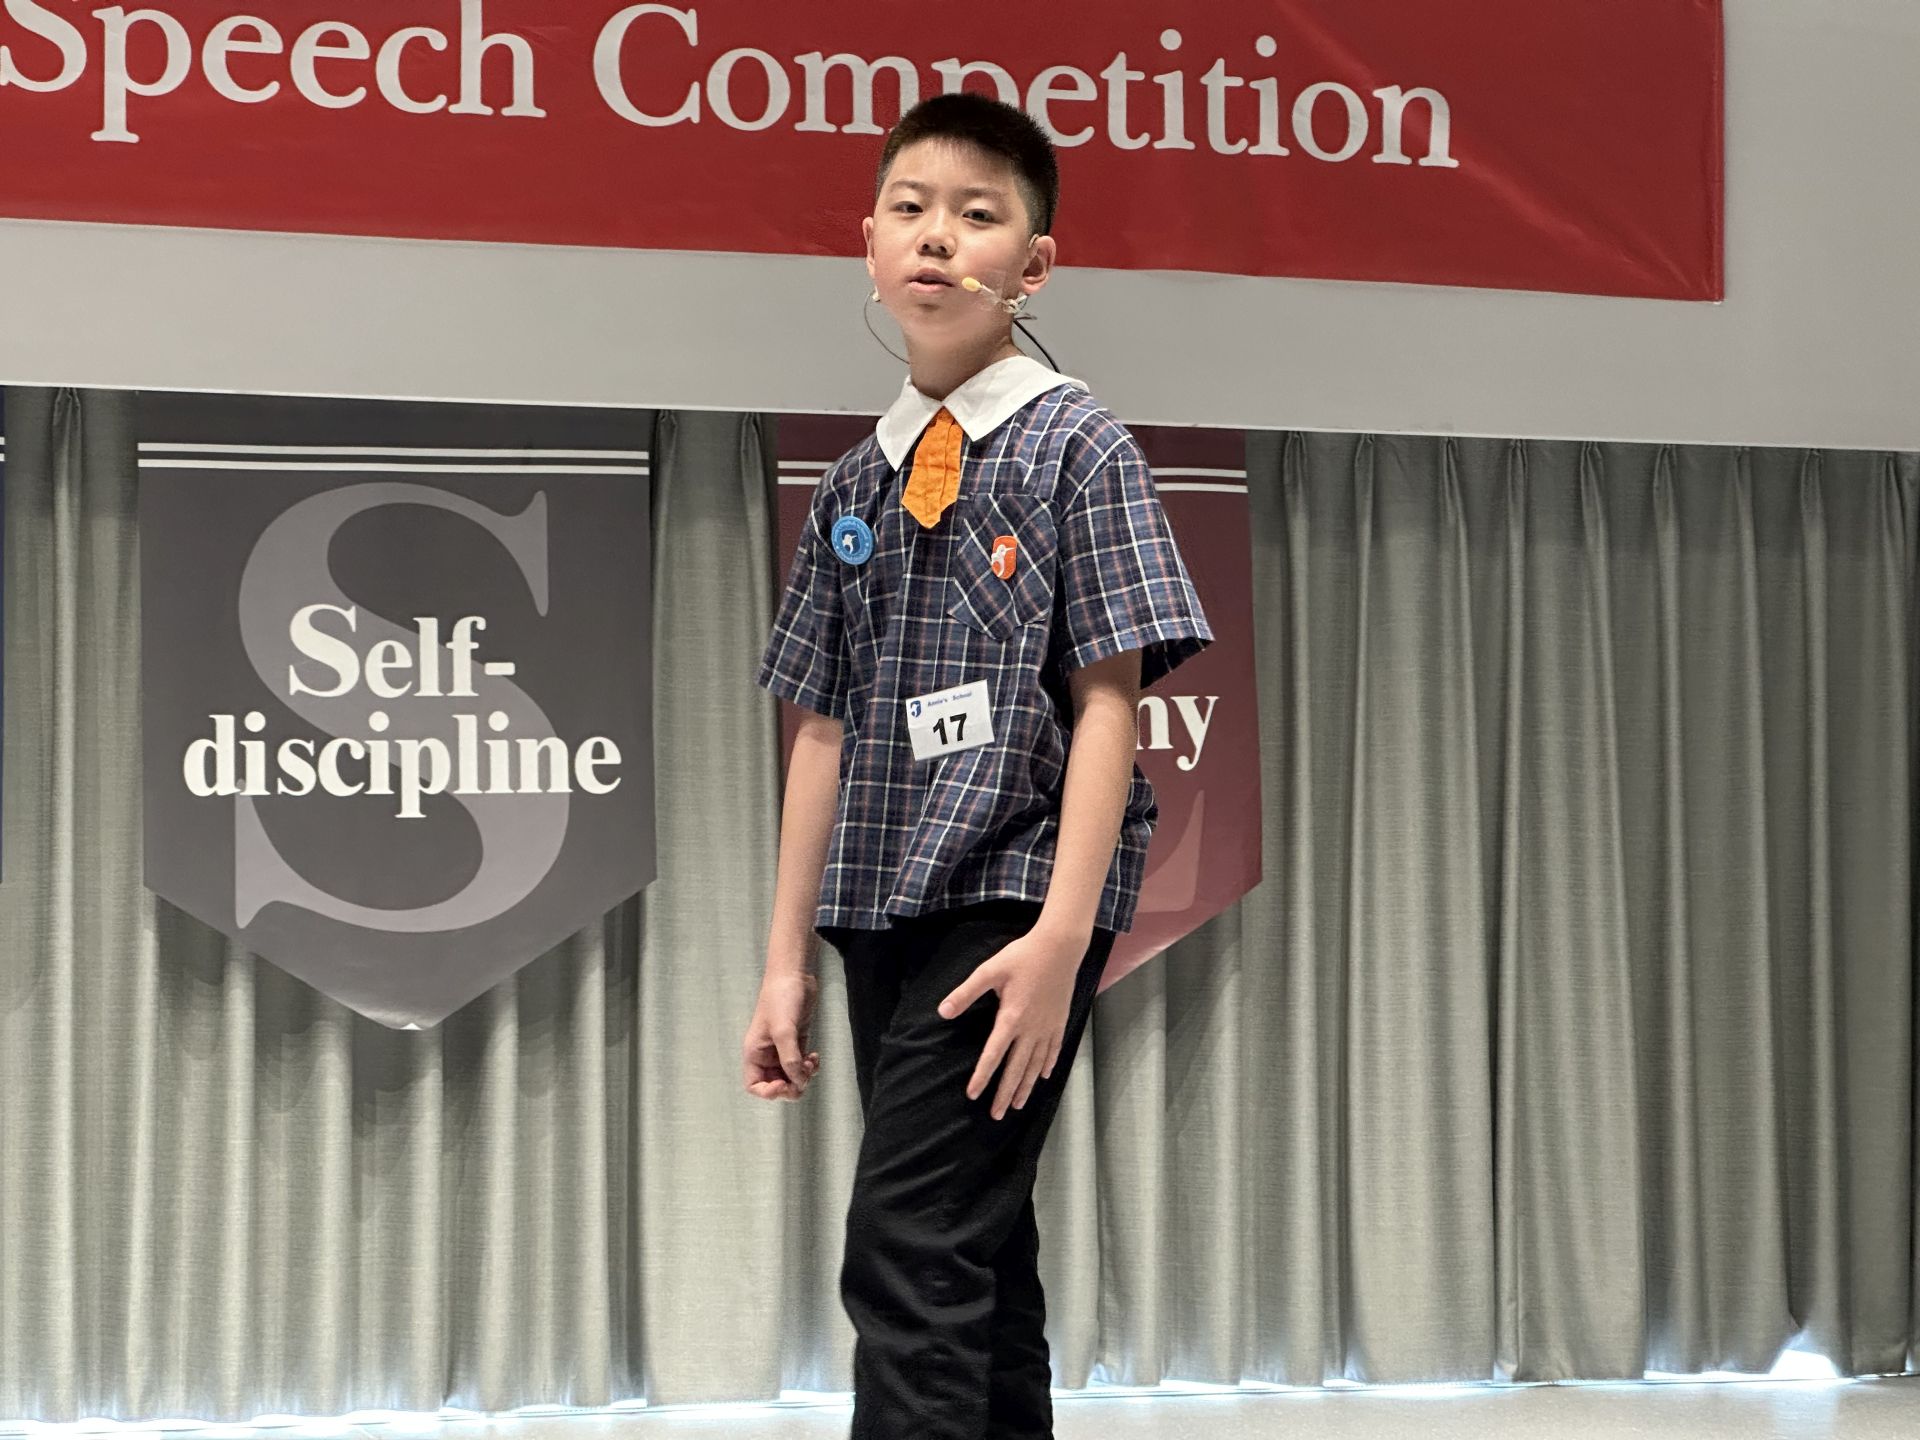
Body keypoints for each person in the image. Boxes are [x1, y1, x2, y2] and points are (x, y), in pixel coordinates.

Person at [742, 91, 1212, 1440]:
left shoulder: (1077, 445)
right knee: (975, 1251)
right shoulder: (853, 484)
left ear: (1035, 263)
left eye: (977, 214)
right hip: (880, 906)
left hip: (1013, 893)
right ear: (870, 246)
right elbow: (819, 729)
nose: (937, 236)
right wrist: (783, 962)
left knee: (906, 1243)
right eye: (910, 208)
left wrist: (1063, 938)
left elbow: (1111, 699)